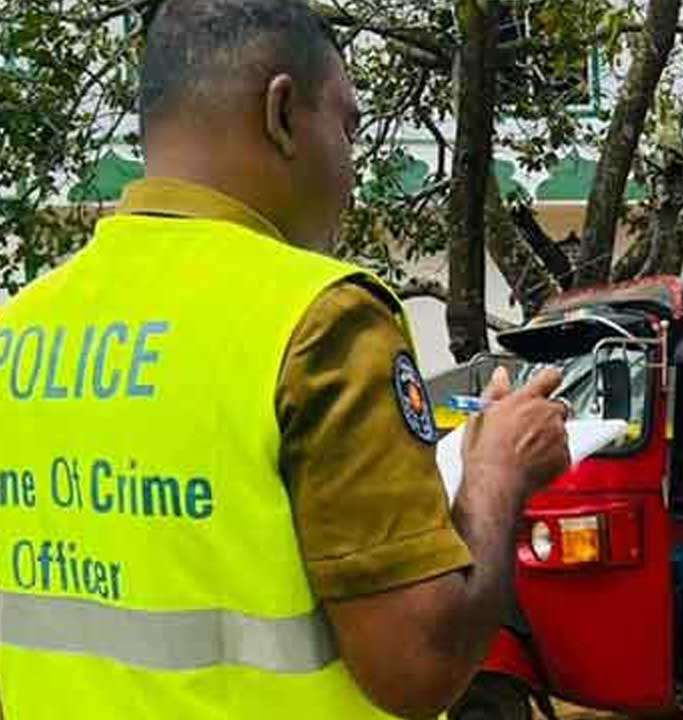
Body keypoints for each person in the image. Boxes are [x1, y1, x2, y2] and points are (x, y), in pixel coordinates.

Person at [0, 1, 569, 718]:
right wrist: (495, 478)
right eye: (347, 125)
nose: (352, 167)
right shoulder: (319, 321)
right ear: (281, 113)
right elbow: (418, 664)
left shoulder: (19, 328)